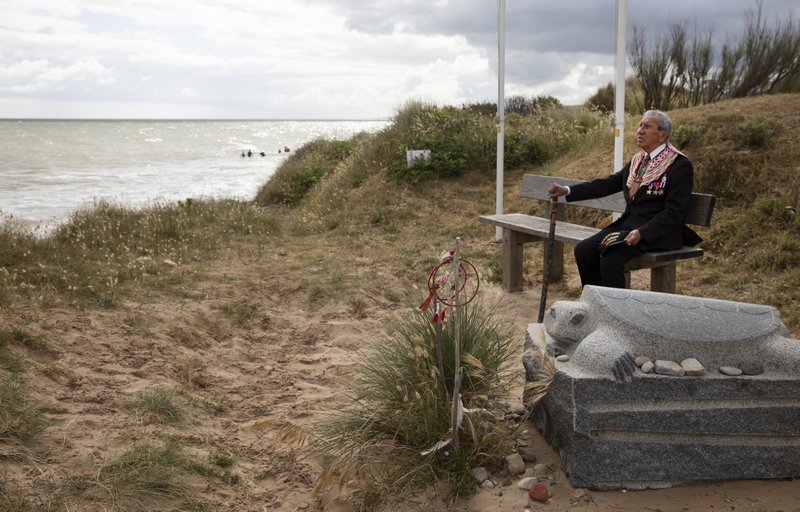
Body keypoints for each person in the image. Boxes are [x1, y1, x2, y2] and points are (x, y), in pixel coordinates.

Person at [547, 110, 702, 289]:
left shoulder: (679, 165)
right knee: (584, 251)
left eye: (647, 126)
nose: (640, 130)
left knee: (611, 259)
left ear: (662, 135)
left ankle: (615, 313)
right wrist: (567, 190)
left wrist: (643, 232)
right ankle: (595, 305)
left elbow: (675, 212)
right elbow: (608, 184)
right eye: (640, 125)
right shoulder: (639, 161)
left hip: (658, 233)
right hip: (628, 226)